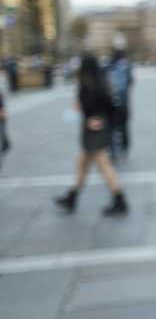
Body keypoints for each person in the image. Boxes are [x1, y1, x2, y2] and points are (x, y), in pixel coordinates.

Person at [53, 55, 128, 216]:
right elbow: (109, 104)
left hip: (93, 130)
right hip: (99, 127)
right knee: (82, 163)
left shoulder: (86, 85)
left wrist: (90, 118)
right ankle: (72, 197)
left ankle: (120, 199)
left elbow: (84, 107)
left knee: (103, 165)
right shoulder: (102, 81)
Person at [107, 49, 133, 158]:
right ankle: (124, 146)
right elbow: (130, 81)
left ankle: (113, 149)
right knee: (124, 125)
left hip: (112, 101)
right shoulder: (126, 67)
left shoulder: (110, 67)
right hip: (124, 101)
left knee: (113, 125)